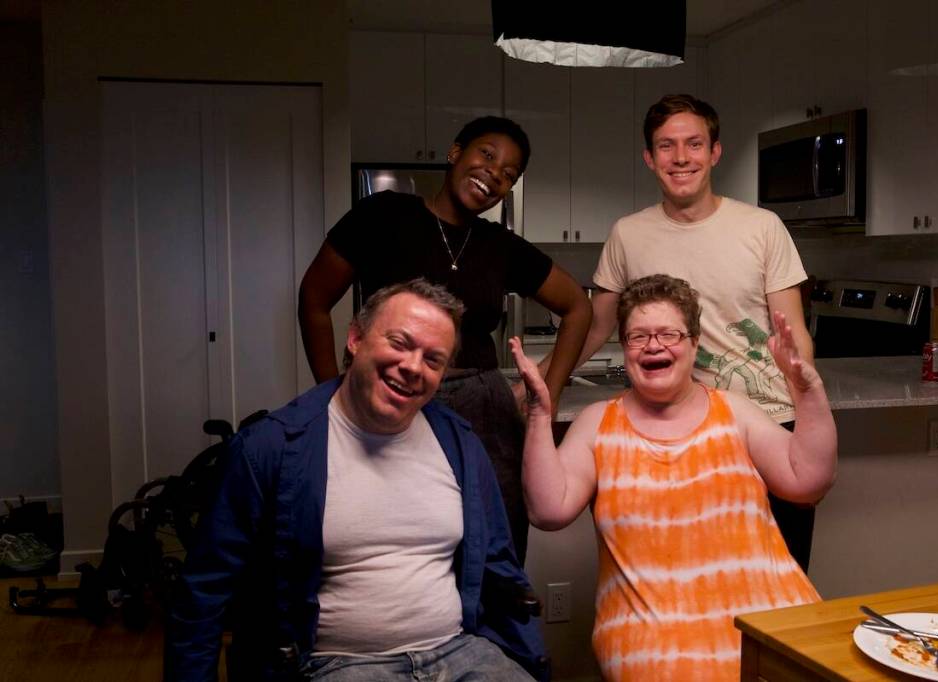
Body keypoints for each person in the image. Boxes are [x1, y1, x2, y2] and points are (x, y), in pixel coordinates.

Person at [166, 279, 547, 682]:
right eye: (399, 343)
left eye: (433, 360)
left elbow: (499, 564)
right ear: (355, 338)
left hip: (460, 652)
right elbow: (203, 595)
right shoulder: (268, 448)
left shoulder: (460, 444)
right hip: (336, 665)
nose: (413, 367)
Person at [511, 274, 837, 681]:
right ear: (625, 348)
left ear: (694, 344)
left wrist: (808, 393)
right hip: (652, 637)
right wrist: (540, 416)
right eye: (638, 336)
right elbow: (547, 510)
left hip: (768, 617)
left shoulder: (734, 411)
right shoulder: (598, 424)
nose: (654, 345)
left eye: (669, 334)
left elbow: (808, 480)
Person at [299, 116, 591, 561]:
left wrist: (543, 400)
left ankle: (491, 633)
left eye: (509, 173)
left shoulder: (500, 246)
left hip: (484, 415)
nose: (494, 173)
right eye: (487, 155)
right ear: (455, 153)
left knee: (494, 545)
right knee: (392, 541)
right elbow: (314, 299)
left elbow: (578, 307)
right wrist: (329, 394)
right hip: (392, 400)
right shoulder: (384, 215)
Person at [573, 93, 818, 569]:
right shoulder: (628, 233)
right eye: (666, 146)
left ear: (715, 152)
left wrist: (810, 418)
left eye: (694, 144)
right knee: (685, 574)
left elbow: (794, 337)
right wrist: (541, 381)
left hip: (765, 422)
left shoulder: (762, 227)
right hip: (669, 428)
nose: (681, 158)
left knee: (778, 575)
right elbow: (596, 326)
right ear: (649, 158)